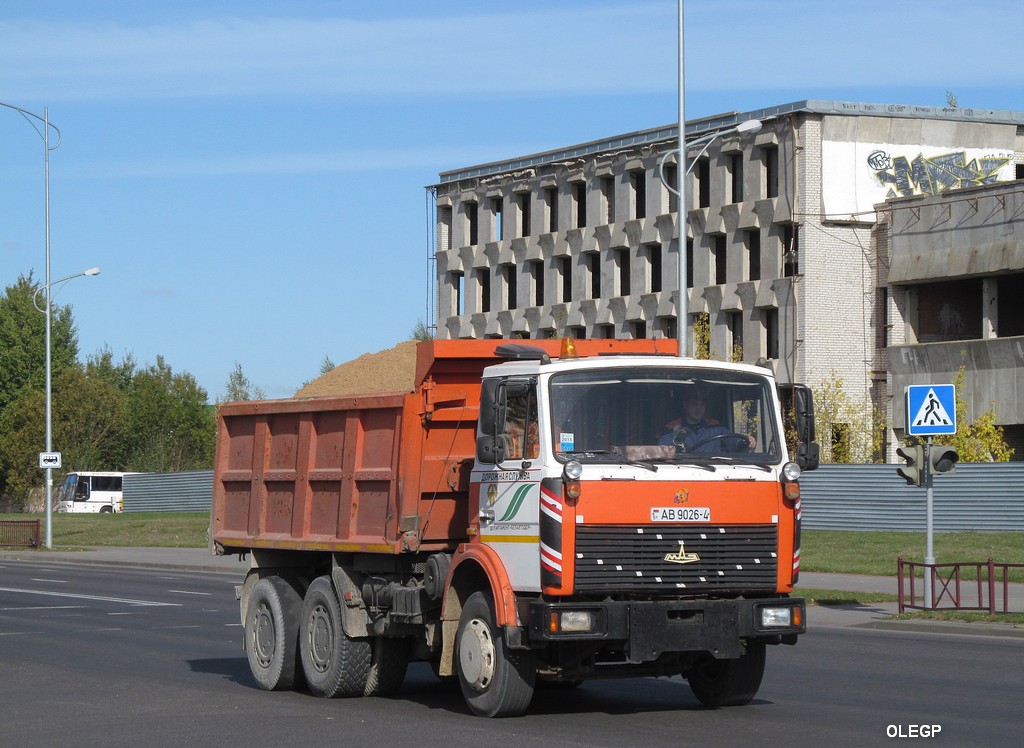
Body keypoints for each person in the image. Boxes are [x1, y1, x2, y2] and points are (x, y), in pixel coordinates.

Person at [658, 387, 751, 453]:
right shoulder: (671, 430)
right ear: (685, 405)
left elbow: (733, 442)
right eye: (695, 404)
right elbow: (663, 453)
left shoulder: (716, 428)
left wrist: (744, 441)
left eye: (702, 405)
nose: (699, 408)